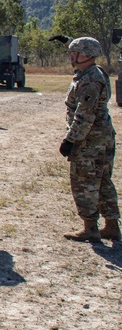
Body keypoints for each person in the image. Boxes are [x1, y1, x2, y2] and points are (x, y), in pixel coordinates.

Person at [59, 37, 119, 242]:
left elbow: (84, 115)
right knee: (102, 181)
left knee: (84, 182)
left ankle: (90, 227)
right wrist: (70, 41)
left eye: (74, 52)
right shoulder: (93, 72)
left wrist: (70, 140)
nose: (70, 56)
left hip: (90, 140)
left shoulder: (90, 80)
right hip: (100, 137)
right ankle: (112, 225)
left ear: (85, 54)